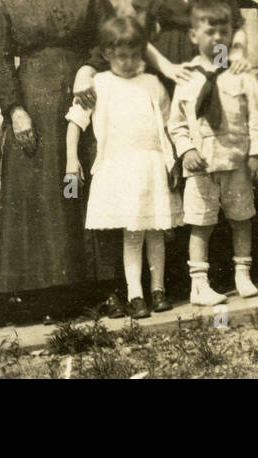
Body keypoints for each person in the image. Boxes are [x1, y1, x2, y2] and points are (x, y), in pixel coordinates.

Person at [0, 0, 117, 320]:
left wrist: (89, 65)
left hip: (84, 102)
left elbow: (113, 39)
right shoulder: (8, 1)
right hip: (34, 110)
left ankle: (105, 288)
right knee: (43, 196)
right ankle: (49, 298)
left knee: (89, 189)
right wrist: (14, 111)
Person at [65, 16, 182, 317]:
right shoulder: (99, 84)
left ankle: (158, 290)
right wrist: (71, 159)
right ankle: (135, 294)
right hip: (120, 167)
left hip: (152, 164)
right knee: (132, 231)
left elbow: (169, 124)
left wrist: (175, 159)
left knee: (156, 230)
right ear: (106, 55)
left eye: (134, 56)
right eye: (121, 56)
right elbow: (75, 122)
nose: (129, 63)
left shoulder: (151, 83)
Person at [168, 0, 258, 305]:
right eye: (209, 31)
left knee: (242, 218)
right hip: (200, 164)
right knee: (201, 223)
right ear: (194, 36)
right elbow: (176, 123)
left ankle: (243, 274)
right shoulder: (187, 78)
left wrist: (257, 153)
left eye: (223, 31)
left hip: (236, 160)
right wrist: (186, 151)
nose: (216, 38)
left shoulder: (240, 74)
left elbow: (257, 115)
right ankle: (199, 285)